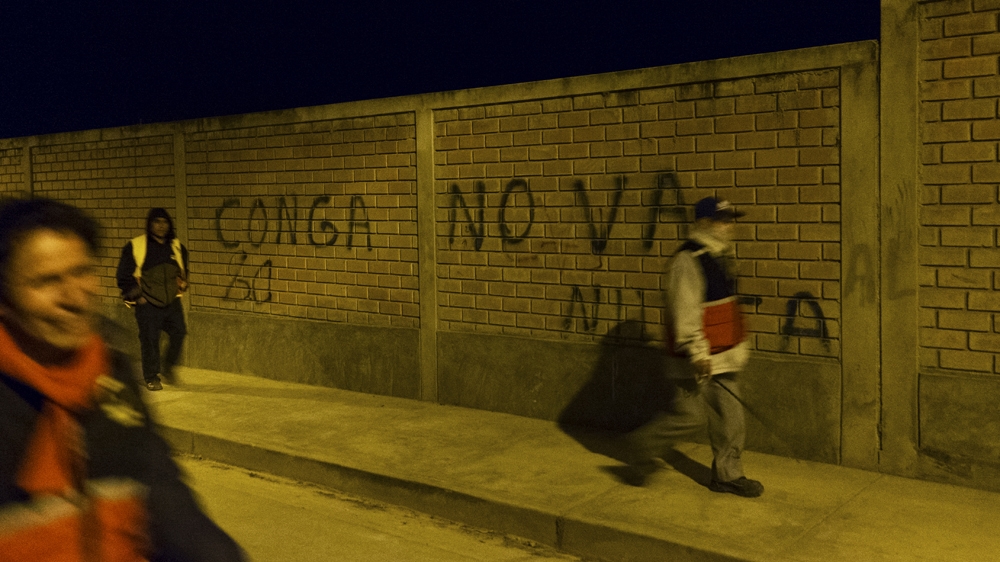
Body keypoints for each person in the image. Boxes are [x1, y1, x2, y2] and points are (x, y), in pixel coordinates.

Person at [0, 198, 245, 561]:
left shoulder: (110, 373)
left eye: (82, 272)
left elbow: (162, 494)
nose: (74, 297)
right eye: (46, 281)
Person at [625, 197, 763, 497]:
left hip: (722, 354)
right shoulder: (688, 259)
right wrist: (697, 352)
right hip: (696, 357)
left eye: (730, 219)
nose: (729, 226)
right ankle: (641, 447)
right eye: (722, 220)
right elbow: (685, 310)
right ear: (704, 223)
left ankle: (728, 475)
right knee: (690, 417)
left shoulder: (719, 255)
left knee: (731, 418)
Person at [115, 208, 189, 391]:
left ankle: (168, 366)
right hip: (147, 303)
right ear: (150, 224)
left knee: (179, 333)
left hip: (171, 302)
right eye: (157, 221)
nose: (161, 226)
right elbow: (123, 275)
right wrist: (137, 297)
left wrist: (181, 286)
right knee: (150, 340)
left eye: (164, 222)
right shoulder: (137, 246)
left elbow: (183, 271)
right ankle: (152, 376)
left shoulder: (176, 246)